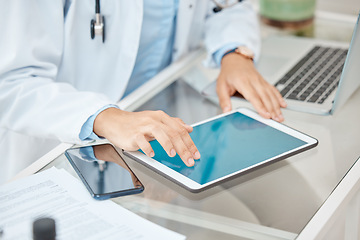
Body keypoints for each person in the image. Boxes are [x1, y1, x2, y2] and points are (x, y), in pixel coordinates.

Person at [0, 1, 286, 170]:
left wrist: (234, 53)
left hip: (167, 134)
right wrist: (104, 117)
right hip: (66, 151)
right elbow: (12, 82)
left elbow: (227, 6)